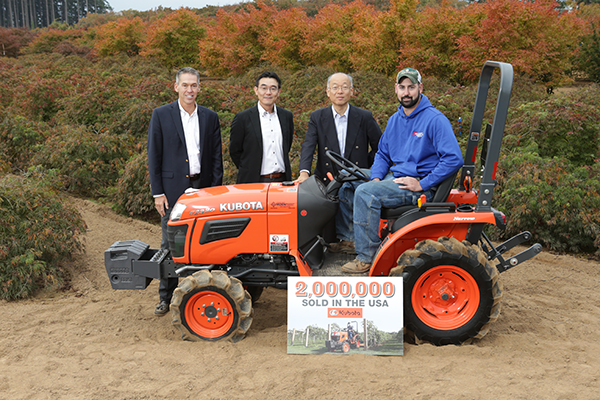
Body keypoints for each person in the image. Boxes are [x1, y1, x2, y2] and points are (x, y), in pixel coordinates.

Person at [337, 67, 464, 274]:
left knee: (365, 192)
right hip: (394, 176)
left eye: (411, 87)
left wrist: (422, 184)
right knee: (348, 180)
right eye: (402, 87)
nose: (407, 92)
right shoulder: (395, 120)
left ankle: (366, 257)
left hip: (418, 186)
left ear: (420, 88)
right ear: (396, 89)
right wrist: (376, 177)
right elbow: (383, 154)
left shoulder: (434, 119)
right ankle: (351, 239)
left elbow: (453, 159)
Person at [147, 67, 223, 315]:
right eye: (185, 85)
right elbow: (154, 155)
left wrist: (216, 191)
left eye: (194, 85)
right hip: (172, 190)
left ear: (200, 87)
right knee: (170, 243)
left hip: (204, 187)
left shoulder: (210, 117)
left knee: (206, 241)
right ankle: (165, 297)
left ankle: (203, 293)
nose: (189, 90)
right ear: (176, 86)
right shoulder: (161, 115)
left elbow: (216, 158)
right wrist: (158, 192)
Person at [297, 72, 382, 185]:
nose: (340, 91)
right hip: (327, 180)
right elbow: (308, 146)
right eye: (335, 87)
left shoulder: (364, 117)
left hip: (357, 180)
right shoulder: (317, 117)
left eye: (345, 87)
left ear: (351, 91)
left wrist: (365, 164)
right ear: (328, 92)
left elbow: (380, 147)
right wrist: (304, 172)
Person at [229, 72, 294, 183]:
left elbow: (286, 146)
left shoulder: (286, 116)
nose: (268, 93)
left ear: (279, 92)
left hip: (282, 181)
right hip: (253, 181)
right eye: (264, 88)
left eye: (273, 89)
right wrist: (249, 169)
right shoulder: (243, 118)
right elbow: (235, 151)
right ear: (256, 90)